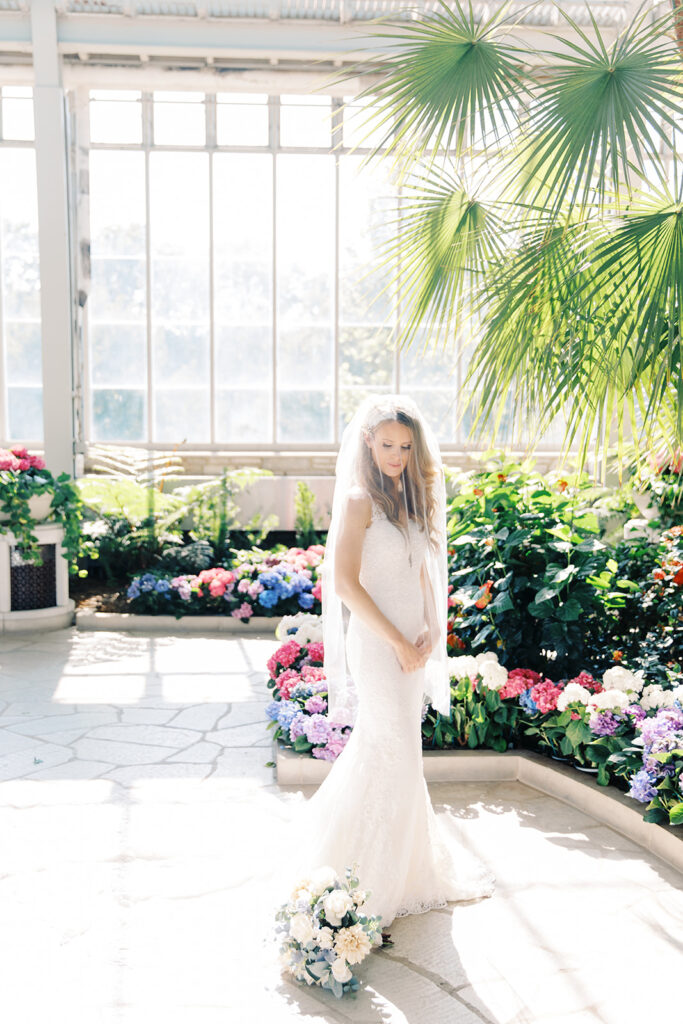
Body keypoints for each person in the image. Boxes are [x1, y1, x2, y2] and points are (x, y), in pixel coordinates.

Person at [275, 393, 495, 929]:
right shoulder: (359, 501)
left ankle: (409, 870)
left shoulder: (410, 497)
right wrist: (396, 640)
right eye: (388, 445)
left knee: (401, 751)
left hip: (412, 640)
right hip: (377, 644)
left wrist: (433, 627)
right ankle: (362, 876)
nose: (397, 456)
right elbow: (345, 583)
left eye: (406, 447)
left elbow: (422, 570)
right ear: (369, 442)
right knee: (388, 744)